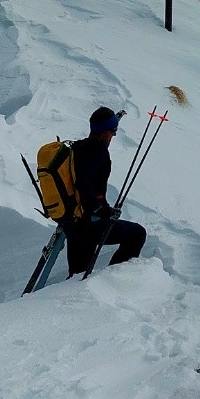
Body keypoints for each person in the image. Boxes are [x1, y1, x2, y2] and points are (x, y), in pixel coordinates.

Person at [63, 106, 147, 277]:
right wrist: (104, 211)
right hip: (89, 224)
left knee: (77, 274)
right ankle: (111, 281)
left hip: (71, 221)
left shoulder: (77, 147)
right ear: (103, 133)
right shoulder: (99, 154)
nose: (114, 135)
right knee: (137, 234)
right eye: (113, 132)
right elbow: (84, 185)